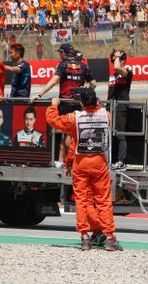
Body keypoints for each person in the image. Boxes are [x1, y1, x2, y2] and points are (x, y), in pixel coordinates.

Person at [46, 88, 122, 251]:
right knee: (103, 200)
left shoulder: (74, 118)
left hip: (80, 162)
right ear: (96, 101)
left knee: (82, 200)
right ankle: (110, 237)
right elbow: (99, 108)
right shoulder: (106, 115)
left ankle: (85, 237)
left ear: (81, 103)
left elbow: (53, 121)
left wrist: (53, 105)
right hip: (99, 161)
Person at [31, 43, 96, 166]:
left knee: (66, 134)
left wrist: (39, 94)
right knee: (73, 134)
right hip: (78, 104)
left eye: (60, 52)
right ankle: (68, 161)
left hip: (65, 103)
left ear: (64, 53)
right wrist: (84, 92)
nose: (59, 55)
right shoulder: (83, 65)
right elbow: (94, 84)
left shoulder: (63, 65)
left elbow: (54, 80)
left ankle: (69, 162)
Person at [108, 50, 133, 170]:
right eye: (113, 59)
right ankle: (110, 159)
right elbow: (109, 93)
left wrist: (118, 56)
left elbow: (118, 67)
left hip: (121, 108)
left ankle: (121, 161)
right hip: (110, 107)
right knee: (109, 135)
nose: (114, 61)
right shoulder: (112, 76)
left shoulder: (127, 71)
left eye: (116, 58)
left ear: (122, 60)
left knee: (120, 135)